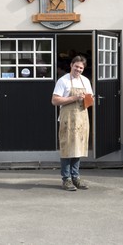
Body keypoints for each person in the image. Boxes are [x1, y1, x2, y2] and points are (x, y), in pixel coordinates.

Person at [51, 55, 93, 191]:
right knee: (67, 148)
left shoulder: (86, 81)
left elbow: (90, 99)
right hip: (67, 119)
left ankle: (76, 178)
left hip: (81, 118)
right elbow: (55, 101)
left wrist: (88, 99)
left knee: (78, 148)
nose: (78, 70)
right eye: (76, 66)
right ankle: (66, 179)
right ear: (71, 65)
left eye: (81, 68)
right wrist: (74, 97)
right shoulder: (63, 81)